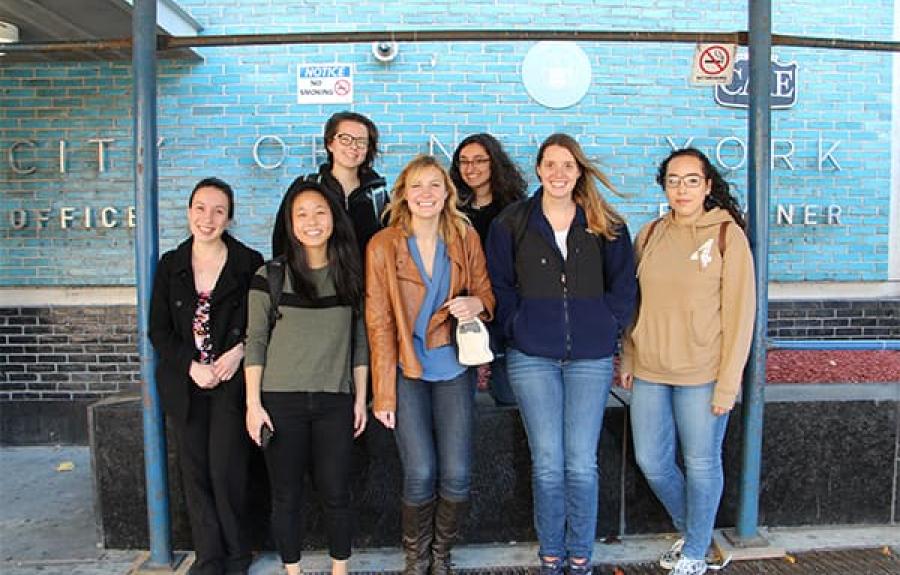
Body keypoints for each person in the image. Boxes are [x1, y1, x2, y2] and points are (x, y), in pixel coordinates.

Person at [485, 133, 637, 575]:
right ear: (537, 169)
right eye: (550, 164)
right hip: (533, 356)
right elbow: (500, 285)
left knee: (581, 464)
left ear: (579, 170)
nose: (558, 173)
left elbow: (624, 286)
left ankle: (581, 555)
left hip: (590, 357)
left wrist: (607, 323)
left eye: (567, 165)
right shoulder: (512, 223)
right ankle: (551, 555)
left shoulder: (605, 223)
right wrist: (516, 325)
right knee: (549, 463)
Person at [618, 147, 755, 575]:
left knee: (700, 463)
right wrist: (629, 354)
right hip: (651, 371)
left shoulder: (727, 236)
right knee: (652, 462)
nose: (682, 188)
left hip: (702, 374)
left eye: (691, 180)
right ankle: (695, 530)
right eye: (674, 180)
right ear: (664, 186)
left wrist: (728, 384)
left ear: (707, 186)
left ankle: (695, 551)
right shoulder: (650, 234)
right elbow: (634, 304)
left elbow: (740, 314)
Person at [365, 155, 495, 575]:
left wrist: (476, 303)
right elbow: (379, 322)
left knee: (456, 472)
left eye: (434, 186)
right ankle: (415, 560)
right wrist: (383, 391)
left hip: (454, 366)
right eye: (416, 186)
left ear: (447, 194)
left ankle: (441, 558)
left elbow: (486, 295)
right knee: (420, 471)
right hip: (407, 371)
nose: (425, 194)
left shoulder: (464, 236)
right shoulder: (383, 244)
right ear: (403, 192)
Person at [244, 178, 369, 575]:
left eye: (320, 212)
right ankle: (292, 571)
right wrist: (252, 405)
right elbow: (256, 343)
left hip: (335, 401)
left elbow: (361, 345)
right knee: (286, 497)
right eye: (301, 214)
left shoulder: (352, 275)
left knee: (337, 494)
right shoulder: (271, 275)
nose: (311, 222)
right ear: (290, 222)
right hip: (281, 402)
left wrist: (360, 399)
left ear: (334, 218)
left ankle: (339, 569)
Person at [149, 177, 263, 575]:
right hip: (187, 384)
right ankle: (209, 557)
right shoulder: (170, 264)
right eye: (200, 207)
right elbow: (158, 331)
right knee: (194, 472)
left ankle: (236, 555)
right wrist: (192, 366)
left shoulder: (249, 262)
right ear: (188, 212)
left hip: (232, 382)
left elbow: (263, 322)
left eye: (218, 210)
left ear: (229, 217)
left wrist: (238, 353)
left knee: (226, 468)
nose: (207, 217)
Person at [449, 133, 527, 407]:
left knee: (509, 395)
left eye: (480, 160)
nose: (471, 168)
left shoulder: (517, 210)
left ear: (494, 163)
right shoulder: (452, 210)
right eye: (464, 162)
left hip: (506, 308)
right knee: (462, 395)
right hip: (465, 310)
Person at [272, 110, 388, 259]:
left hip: (365, 280)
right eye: (345, 139)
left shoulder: (377, 194)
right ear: (330, 143)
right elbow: (282, 238)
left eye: (361, 141)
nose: (353, 146)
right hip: (314, 280)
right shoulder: (307, 187)